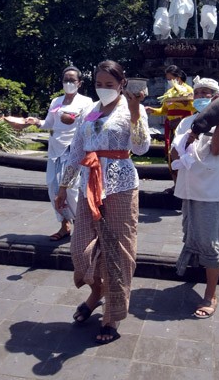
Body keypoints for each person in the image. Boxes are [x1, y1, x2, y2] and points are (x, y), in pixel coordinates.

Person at [55, 60, 150, 344]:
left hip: (120, 185)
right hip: (89, 185)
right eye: (99, 84)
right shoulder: (89, 110)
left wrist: (134, 113)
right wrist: (63, 186)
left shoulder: (132, 108)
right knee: (80, 248)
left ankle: (113, 314)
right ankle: (97, 292)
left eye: (110, 84)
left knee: (119, 250)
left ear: (122, 84)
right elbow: (77, 151)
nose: (104, 89)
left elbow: (142, 147)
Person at [170, 77, 219, 318]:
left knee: (211, 242)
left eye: (207, 92)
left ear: (216, 98)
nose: (202, 95)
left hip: (211, 191)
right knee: (191, 233)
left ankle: (211, 294)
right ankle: (192, 274)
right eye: (198, 91)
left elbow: (217, 149)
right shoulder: (185, 122)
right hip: (189, 188)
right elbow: (173, 153)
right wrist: (187, 138)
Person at [20, 66, 94, 240]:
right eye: (65, 80)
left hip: (73, 149)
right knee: (53, 186)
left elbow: (90, 124)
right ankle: (64, 224)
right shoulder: (56, 101)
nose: (68, 83)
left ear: (79, 83)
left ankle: (82, 224)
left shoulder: (86, 102)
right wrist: (35, 121)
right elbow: (49, 123)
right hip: (55, 149)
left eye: (72, 80)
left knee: (71, 189)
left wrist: (73, 120)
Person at [145, 65, 194, 189]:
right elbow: (164, 110)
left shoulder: (188, 90)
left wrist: (182, 115)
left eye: (171, 78)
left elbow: (194, 107)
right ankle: (176, 183)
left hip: (184, 125)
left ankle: (186, 184)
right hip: (171, 127)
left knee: (184, 153)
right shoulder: (169, 93)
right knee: (170, 154)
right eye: (167, 79)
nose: (170, 81)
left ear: (178, 77)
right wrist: (153, 110)